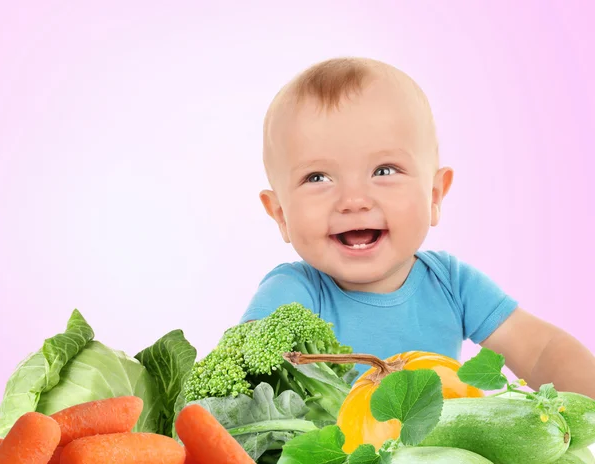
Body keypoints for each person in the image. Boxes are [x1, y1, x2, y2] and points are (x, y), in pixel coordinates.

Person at [240, 56, 595, 397]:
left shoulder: (452, 284)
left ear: (434, 195)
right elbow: (243, 374)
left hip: (444, 456)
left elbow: (541, 350)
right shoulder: (293, 293)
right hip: (337, 459)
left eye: (384, 170)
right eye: (317, 177)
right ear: (281, 215)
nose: (354, 200)